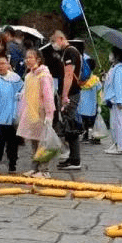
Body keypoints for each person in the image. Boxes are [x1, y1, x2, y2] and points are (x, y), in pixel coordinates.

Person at [17, 47, 56, 177]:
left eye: (30, 57)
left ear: (38, 59)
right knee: (33, 140)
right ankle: (35, 168)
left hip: (41, 112)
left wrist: (50, 114)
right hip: (31, 112)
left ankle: (44, 170)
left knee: (42, 142)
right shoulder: (29, 75)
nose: (27, 60)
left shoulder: (44, 75)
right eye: (26, 57)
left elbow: (48, 96)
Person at [50, 31, 84, 171]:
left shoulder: (70, 52)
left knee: (70, 126)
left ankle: (75, 160)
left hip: (71, 93)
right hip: (71, 92)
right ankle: (72, 157)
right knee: (67, 124)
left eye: (53, 41)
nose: (53, 45)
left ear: (60, 38)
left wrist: (64, 96)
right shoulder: (68, 52)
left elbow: (69, 75)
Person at [102, 48, 122, 155]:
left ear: (117, 55)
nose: (110, 55)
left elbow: (120, 86)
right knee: (117, 123)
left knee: (118, 124)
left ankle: (120, 146)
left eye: (112, 53)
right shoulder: (115, 68)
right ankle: (121, 145)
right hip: (114, 100)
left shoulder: (119, 69)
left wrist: (119, 100)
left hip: (116, 101)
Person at [78, 57, 103, 143]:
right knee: (93, 122)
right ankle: (95, 137)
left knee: (84, 121)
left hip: (82, 105)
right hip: (93, 105)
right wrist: (100, 104)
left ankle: (85, 136)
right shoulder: (96, 80)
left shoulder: (81, 80)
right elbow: (99, 93)